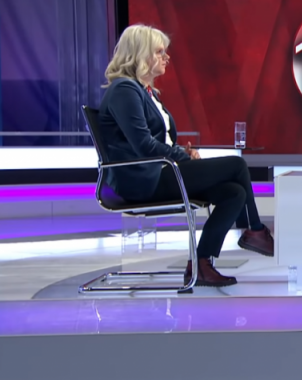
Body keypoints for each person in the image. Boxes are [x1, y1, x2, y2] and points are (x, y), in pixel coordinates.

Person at [98, 24, 274, 288]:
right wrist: (181, 155)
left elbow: (157, 141)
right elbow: (143, 145)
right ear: (140, 54)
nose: (166, 57)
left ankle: (201, 265)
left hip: (161, 171)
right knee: (236, 165)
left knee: (233, 193)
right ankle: (254, 231)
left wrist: (181, 152)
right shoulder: (124, 90)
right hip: (142, 179)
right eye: (159, 52)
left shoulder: (147, 93)